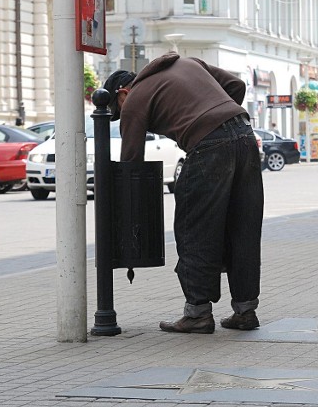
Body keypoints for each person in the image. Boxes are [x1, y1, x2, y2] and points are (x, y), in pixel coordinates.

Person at [103, 52, 264, 333]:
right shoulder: (188, 62)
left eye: (119, 110)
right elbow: (236, 85)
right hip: (245, 137)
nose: (122, 115)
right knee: (243, 227)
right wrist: (216, 120)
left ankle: (198, 314)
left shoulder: (135, 98)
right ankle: (245, 311)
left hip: (209, 150)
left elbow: (132, 165)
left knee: (194, 230)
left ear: (123, 92)